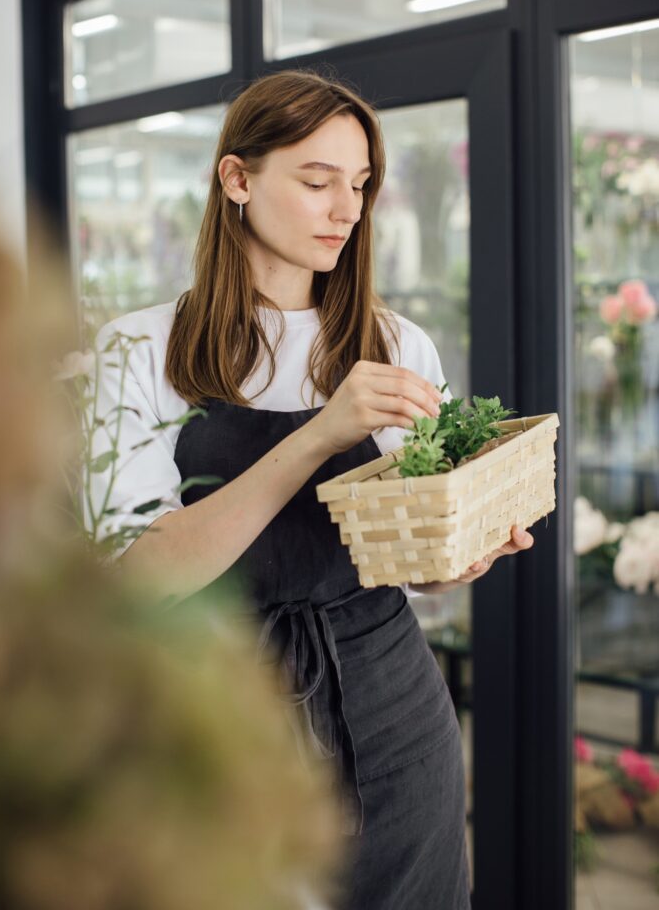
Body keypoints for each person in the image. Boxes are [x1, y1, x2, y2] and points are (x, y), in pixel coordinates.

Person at [87, 68, 534, 910]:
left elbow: (406, 565)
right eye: (318, 181)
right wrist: (322, 434)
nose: (348, 210)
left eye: (361, 185)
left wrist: (455, 558)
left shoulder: (394, 341)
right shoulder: (140, 351)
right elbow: (141, 576)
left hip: (393, 708)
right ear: (238, 178)